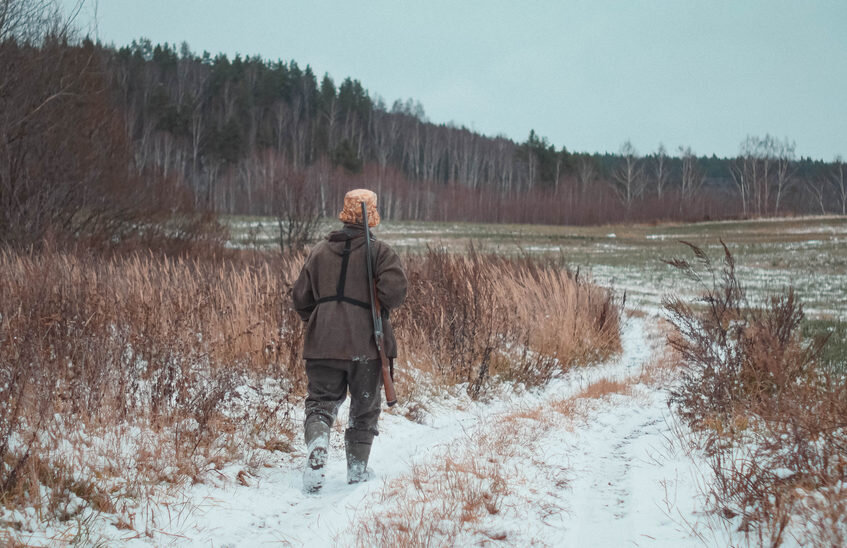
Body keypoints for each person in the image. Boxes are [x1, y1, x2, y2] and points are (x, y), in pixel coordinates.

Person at [292, 189, 407, 492]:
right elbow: (395, 294)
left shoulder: (318, 251)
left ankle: (317, 444)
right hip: (366, 346)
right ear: (372, 215)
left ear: (344, 215)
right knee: (364, 409)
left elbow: (300, 299)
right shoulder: (380, 252)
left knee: (320, 404)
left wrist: (320, 322)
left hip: (322, 345)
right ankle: (356, 469)